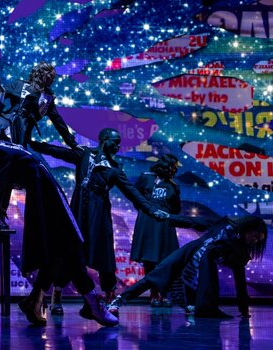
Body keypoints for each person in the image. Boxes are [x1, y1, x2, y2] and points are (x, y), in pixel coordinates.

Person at [0, 127, 119, 327]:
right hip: (46, 201)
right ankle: (92, 302)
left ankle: (34, 300)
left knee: (58, 252)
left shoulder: (2, 145)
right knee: (71, 247)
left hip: (50, 196)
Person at [29, 129, 169, 313]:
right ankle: (57, 296)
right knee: (69, 253)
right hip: (79, 211)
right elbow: (57, 151)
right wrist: (32, 144)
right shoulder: (84, 154)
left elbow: (133, 193)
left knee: (104, 255)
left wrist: (151, 209)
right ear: (103, 140)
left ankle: (108, 299)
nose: (119, 145)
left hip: (99, 214)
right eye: (115, 141)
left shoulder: (115, 168)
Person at [108, 215, 268, 318]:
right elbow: (196, 222)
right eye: (255, 236)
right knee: (155, 276)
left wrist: (244, 310)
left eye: (258, 240)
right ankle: (118, 301)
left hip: (201, 267)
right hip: (188, 252)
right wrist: (169, 218)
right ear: (248, 229)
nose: (255, 241)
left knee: (198, 283)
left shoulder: (240, 252)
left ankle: (194, 306)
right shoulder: (226, 224)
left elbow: (240, 281)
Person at [130, 153, 182, 306]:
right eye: (173, 167)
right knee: (149, 258)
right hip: (147, 222)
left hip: (165, 225)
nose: (175, 170)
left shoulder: (173, 186)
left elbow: (176, 209)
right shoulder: (146, 177)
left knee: (165, 259)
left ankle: (164, 294)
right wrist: (145, 212)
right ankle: (153, 294)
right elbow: (135, 196)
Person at [4, 63, 78, 150]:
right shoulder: (20, 85)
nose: (52, 79)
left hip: (22, 135)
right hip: (6, 127)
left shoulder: (48, 98)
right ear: (41, 72)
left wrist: (73, 144)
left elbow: (58, 121)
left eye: (54, 77)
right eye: (51, 75)